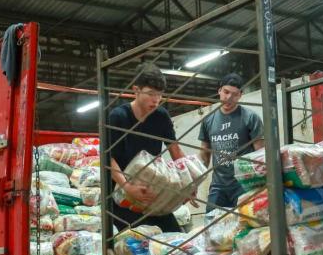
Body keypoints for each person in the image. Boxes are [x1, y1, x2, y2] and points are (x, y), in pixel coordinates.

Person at [107, 62, 187, 233]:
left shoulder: (161, 116)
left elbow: (176, 151)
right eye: (151, 94)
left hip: (153, 191)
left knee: (175, 239)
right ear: (136, 90)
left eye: (159, 95)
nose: (156, 100)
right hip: (124, 197)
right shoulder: (118, 117)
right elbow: (107, 157)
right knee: (136, 244)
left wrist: (189, 183)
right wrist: (128, 187)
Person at [198, 73, 264, 210]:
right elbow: (204, 157)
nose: (229, 98)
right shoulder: (208, 120)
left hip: (243, 185)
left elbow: (261, 155)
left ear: (240, 95)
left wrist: (263, 185)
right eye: (226, 92)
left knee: (245, 224)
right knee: (211, 224)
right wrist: (194, 184)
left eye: (234, 94)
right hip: (218, 186)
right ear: (219, 91)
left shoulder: (250, 118)